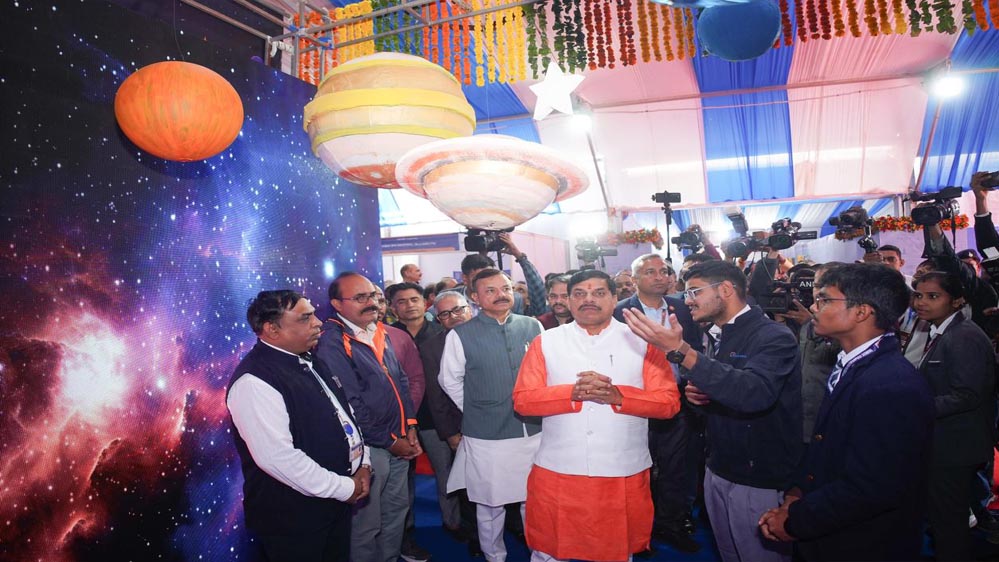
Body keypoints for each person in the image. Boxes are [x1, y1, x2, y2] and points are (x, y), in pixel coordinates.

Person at [623, 260, 802, 562]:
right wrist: (700, 400)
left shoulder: (773, 336)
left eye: (695, 291)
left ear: (726, 289)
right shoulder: (716, 335)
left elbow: (753, 393)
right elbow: (725, 390)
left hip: (757, 475)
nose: (687, 300)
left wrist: (681, 352)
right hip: (719, 467)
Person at [755, 264, 935, 562]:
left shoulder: (891, 385)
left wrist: (796, 521)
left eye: (825, 299)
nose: (814, 307)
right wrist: (797, 492)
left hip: (862, 543)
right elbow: (826, 443)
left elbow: (872, 486)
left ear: (862, 312)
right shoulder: (855, 364)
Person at [513, 270, 681, 562]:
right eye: (579, 293)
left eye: (599, 293)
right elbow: (523, 401)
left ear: (615, 298)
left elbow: (668, 404)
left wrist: (619, 397)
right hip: (559, 468)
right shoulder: (546, 342)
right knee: (549, 551)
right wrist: (572, 393)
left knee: (616, 551)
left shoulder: (643, 341)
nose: (588, 299)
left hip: (621, 469)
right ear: (568, 300)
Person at [227, 290, 371, 562]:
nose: (318, 322)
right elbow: (278, 458)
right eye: (305, 318)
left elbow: (344, 415)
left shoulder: (309, 359)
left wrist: (363, 463)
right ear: (272, 329)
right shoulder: (254, 382)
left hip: (333, 503)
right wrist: (345, 488)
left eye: (314, 314)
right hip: (294, 519)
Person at [439, 269, 544, 562]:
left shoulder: (532, 326)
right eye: (491, 290)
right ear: (474, 297)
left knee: (535, 499)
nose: (501, 295)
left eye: (506, 288)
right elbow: (449, 380)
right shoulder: (461, 334)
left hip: (533, 430)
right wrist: (478, 407)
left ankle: (541, 554)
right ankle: (494, 556)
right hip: (486, 435)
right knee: (490, 503)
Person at [316, 273, 421, 562]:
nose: (371, 303)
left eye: (373, 296)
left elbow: (400, 380)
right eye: (360, 298)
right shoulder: (332, 342)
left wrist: (410, 424)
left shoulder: (377, 330)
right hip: (370, 448)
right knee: (367, 524)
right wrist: (390, 442)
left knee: (396, 513)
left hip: (398, 439)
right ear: (337, 304)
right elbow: (350, 404)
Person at [613, 253, 704, 554]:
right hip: (635, 400)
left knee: (677, 466)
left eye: (663, 271)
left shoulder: (682, 308)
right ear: (634, 279)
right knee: (637, 466)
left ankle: (671, 523)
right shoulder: (619, 312)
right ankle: (639, 529)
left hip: (678, 398)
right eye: (650, 272)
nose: (659, 276)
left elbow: (696, 350)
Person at [912, 271, 997, 560]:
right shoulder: (943, 331)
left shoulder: (963, 336)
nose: (922, 302)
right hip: (947, 443)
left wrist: (914, 407)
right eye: (918, 295)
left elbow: (967, 395)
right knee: (945, 520)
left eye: (933, 296)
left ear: (957, 301)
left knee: (949, 523)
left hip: (955, 446)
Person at [417, 290, 482, 555]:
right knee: (468, 485)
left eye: (458, 309)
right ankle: (476, 535)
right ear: (438, 319)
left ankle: (513, 527)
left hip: (500, 426)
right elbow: (436, 396)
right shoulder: (432, 348)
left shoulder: (491, 334)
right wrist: (450, 433)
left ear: (470, 308)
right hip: (460, 427)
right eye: (444, 314)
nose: (453, 317)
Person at [457, 233, 547, 317]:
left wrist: (520, 257)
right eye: (478, 278)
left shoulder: (511, 299)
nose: (486, 282)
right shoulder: (453, 299)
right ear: (465, 279)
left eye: (490, 277)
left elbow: (539, 304)